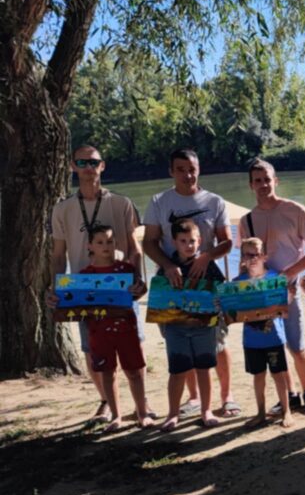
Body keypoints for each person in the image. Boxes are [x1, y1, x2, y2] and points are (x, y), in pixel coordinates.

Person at [48, 144, 148, 425]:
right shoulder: (62, 209)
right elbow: (58, 256)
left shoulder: (121, 203)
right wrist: (55, 289)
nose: (88, 168)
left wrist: (138, 279)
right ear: (72, 167)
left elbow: (134, 248)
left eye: (93, 162)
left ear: (102, 166)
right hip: (83, 288)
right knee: (93, 351)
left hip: (120, 286)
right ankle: (108, 403)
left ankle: (142, 408)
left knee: (134, 347)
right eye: (82, 163)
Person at [142, 149, 237, 419]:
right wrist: (168, 265)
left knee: (217, 340)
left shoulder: (214, 201)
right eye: (181, 169)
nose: (187, 174)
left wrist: (206, 256)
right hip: (173, 283)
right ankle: (194, 398)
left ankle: (227, 397)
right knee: (182, 339)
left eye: (192, 169)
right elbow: (149, 242)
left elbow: (227, 242)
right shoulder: (159, 202)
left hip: (207, 282)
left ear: (199, 169)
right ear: (171, 171)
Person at [240, 159, 305, 415]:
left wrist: (289, 274)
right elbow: (245, 259)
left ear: (276, 180)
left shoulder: (295, 210)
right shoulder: (246, 220)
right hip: (262, 294)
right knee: (274, 347)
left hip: (289, 289)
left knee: (296, 346)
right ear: (251, 185)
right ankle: (290, 395)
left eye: (267, 179)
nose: (263, 184)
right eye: (258, 180)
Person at [75, 224, 150, 433]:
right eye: (100, 242)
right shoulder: (84, 276)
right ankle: (116, 416)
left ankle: (142, 413)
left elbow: (140, 291)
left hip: (127, 330)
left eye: (109, 241)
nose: (105, 246)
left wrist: (140, 289)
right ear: (90, 246)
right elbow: (75, 305)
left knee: (134, 372)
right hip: (98, 333)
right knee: (108, 373)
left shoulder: (126, 270)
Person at [158, 220, 224, 431]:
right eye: (183, 241)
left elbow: (220, 291)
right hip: (175, 328)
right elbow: (159, 299)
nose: (188, 245)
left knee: (204, 369)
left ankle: (206, 410)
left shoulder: (208, 264)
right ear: (174, 242)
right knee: (177, 371)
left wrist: (218, 303)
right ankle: (172, 413)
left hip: (204, 327)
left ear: (200, 241)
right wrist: (162, 326)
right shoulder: (167, 268)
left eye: (192, 241)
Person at [235, 237, 293, 429]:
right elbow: (232, 310)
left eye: (257, 254)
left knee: (278, 375)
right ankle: (260, 412)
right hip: (251, 341)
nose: (253, 258)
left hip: (274, 338)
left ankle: (286, 411)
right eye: (248, 254)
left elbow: (285, 304)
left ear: (264, 256)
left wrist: (290, 294)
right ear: (242, 257)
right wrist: (222, 304)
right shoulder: (237, 283)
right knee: (258, 376)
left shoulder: (275, 277)